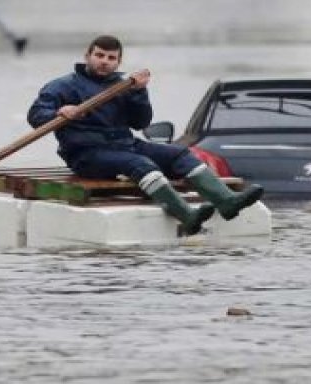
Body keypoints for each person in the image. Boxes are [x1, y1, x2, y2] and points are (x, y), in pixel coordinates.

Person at [27, 35, 264, 236]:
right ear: (87, 56)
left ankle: (226, 201)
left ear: (118, 61)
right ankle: (186, 215)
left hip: (125, 145)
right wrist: (60, 111)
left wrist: (140, 93)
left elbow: (141, 122)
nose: (104, 62)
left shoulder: (123, 86)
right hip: (87, 154)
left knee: (180, 153)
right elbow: (36, 115)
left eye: (111, 58)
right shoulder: (62, 86)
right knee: (141, 164)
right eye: (99, 55)